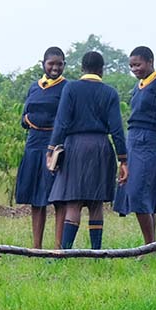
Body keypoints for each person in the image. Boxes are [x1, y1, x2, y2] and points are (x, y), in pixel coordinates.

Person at [46, 51, 128, 250]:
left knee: (73, 203)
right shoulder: (110, 92)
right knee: (96, 203)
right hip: (101, 147)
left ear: (82, 68)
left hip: (75, 147)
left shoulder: (71, 88)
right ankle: (96, 252)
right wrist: (123, 159)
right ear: (102, 70)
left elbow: (62, 122)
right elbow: (117, 129)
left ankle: (65, 252)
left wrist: (51, 149)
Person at [114, 46, 156, 243]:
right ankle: (151, 243)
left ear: (150, 61)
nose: (134, 69)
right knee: (138, 193)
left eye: (138, 64)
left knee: (139, 193)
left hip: (150, 141)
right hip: (133, 140)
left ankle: (149, 246)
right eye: (131, 66)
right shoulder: (138, 86)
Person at [14, 47, 67, 248]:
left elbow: (64, 118)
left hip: (55, 147)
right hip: (33, 145)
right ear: (43, 64)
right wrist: (28, 120)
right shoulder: (34, 87)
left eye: (59, 63)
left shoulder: (66, 88)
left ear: (64, 65)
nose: (55, 67)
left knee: (58, 197)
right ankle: (36, 247)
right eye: (51, 63)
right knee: (36, 199)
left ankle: (58, 247)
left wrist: (42, 123)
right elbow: (24, 115)